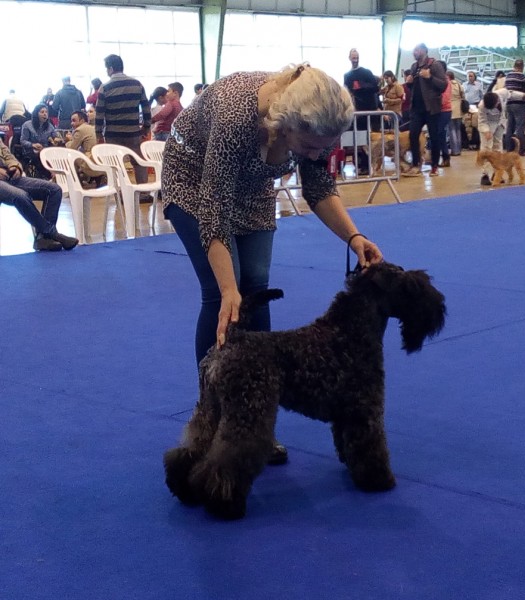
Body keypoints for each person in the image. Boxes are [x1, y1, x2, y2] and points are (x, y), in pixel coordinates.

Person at [161, 64, 383, 464]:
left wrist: (355, 238)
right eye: (312, 147)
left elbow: (319, 187)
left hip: (253, 187)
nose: (318, 155)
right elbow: (213, 212)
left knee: (257, 285)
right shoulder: (235, 115)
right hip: (195, 181)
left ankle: (253, 423)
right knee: (222, 295)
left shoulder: (315, 123)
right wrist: (230, 289)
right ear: (284, 125)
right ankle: (212, 420)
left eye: (325, 147)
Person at [0, 138, 79, 251]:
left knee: (54, 189)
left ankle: (43, 239)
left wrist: (15, 166)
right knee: (21, 196)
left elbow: (7, 154)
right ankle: (52, 233)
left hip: (10, 176)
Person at [95, 54, 151, 187]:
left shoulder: (105, 88)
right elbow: (146, 108)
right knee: (139, 162)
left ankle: (119, 192)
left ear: (111, 68)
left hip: (113, 135)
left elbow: (99, 114)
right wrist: (146, 127)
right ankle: (142, 192)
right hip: (133, 133)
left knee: (115, 165)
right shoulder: (137, 84)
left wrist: (98, 135)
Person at [403, 43, 447, 177]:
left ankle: (434, 166)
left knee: (434, 137)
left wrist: (430, 77)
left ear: (423, 51)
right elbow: (414, 89)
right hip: (416, 108)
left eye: (416, 50)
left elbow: (443, 85)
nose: (414, 53)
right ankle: (415, 165)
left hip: (432, 108)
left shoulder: (435, 65)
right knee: (413, 135)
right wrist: (409, 83)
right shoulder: (414, 67)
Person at [20, 104, 61, 179]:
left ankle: (58, 174)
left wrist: (57, 139)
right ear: (36, 114)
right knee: (41, 154)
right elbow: (23, 141)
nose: (45, 114)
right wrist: (33, 144)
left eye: (46, 112)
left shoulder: (49, 126)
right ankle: (50, 175)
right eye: (42, 112)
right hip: (31, 150)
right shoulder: (27, 125)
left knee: (56, 152)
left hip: (45, 150)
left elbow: (55, 137)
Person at [65, 110, 104, 186]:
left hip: (92, 161)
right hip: (101, 159)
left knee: (70, 156)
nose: (71, 123)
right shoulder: (92, 127)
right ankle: (88, 178)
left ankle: (76, 183)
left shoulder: (80, 130)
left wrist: (69, 140)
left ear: (82, 120)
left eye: (74, 121)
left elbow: (71, 148)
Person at [477, 91, 507, 185]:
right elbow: (482, 120)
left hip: (500, 123)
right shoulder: (481, 105)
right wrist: (486, 131)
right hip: (487, 124)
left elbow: (512, 93)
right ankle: (484, 175)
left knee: (498, 149)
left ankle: (497, 173)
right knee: (486, 150)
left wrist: (522, 95)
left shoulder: (503, 93)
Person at [504, 59, 525, 154]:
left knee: (510, 126)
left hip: (509, 103)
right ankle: (520, 149)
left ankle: (509, 148)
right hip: (519, 104)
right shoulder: (522, 77)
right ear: (522, 67)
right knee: (520, 127)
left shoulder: (508, 76)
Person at [436, 61, 452, 167]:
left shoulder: (446, 82)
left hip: (444, 111)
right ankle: (442, 158)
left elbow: (444, 99)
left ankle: (445, 158)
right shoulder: (438, 81)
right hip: (438, 111)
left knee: (440, 134)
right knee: (439, 135)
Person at [447, 71, 464, 156]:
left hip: (450, 108)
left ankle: (455, 150)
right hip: (459, 108)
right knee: (458, 130)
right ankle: (459, 149)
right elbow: (463, 95)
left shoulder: (447, 84)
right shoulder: (458, 84)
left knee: (452, 130)